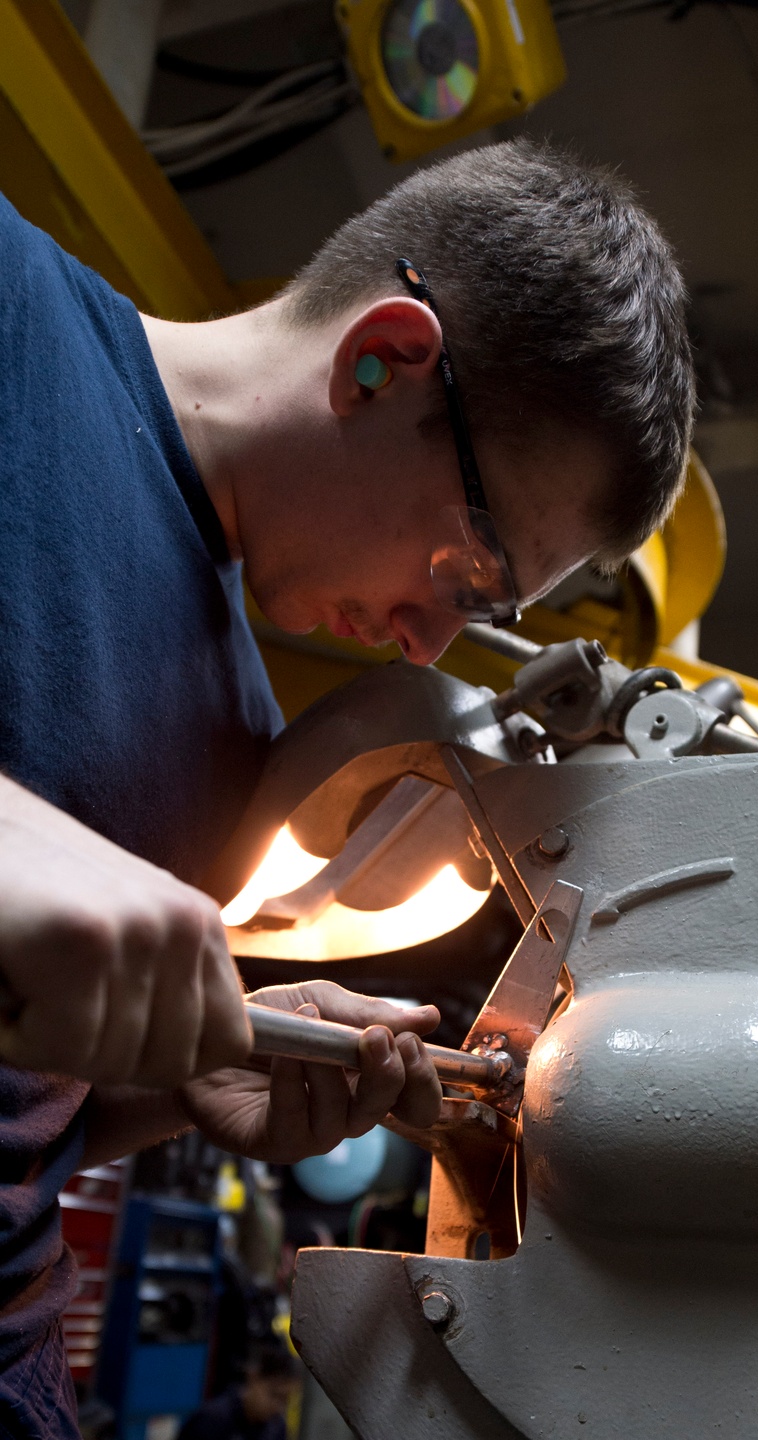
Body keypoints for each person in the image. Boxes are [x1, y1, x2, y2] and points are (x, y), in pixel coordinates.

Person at [0, 137, 693, 1438]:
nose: (432, 639)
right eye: (469, 571)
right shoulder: (12, 326)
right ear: (383, 358)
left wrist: (180, 1089)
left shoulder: (242, 745)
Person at [177, 1349, 298, 1440]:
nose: (277, 1406)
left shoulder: (276, 1429)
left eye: (285, 1400)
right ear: (254, 1377)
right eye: (274, 1395)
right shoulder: (213, 1420)